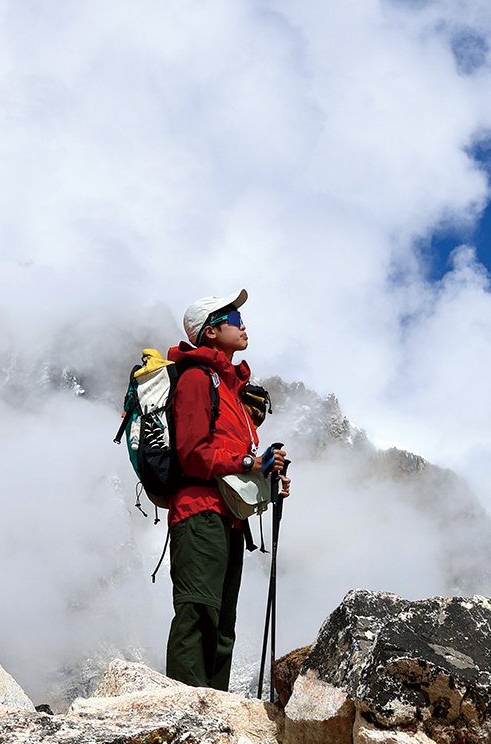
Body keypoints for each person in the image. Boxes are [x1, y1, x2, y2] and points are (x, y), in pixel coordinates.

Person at [164, 288, 290, 690]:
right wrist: (250, 463)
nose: (243, 324)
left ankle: (213, 711)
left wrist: (266, 475)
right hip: (198, 511)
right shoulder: (198, 379)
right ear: (212, 332)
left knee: (222, 621)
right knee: (199, 612)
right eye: (234, 319)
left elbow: (232, 456)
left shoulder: (232, 389)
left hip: (226, 518)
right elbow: (193, 454)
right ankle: (186, 710)